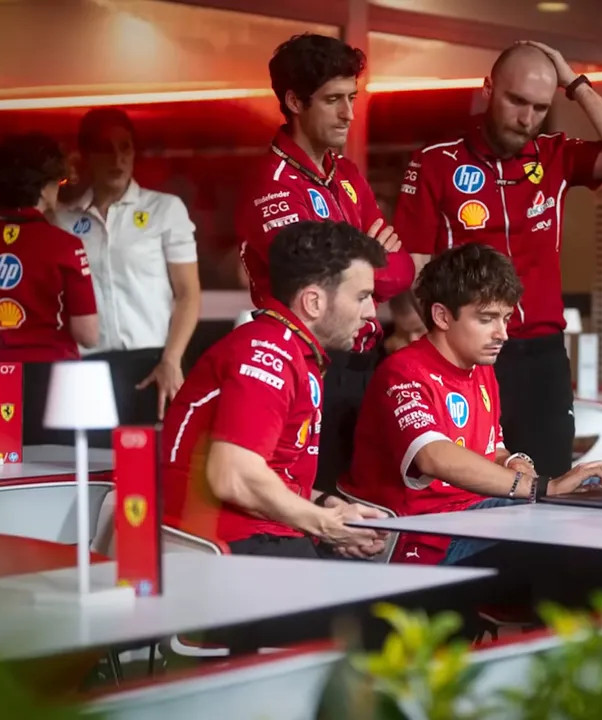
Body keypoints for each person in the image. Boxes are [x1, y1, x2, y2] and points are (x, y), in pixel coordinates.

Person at [394, 41, 602, 478]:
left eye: (540, 107)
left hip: (542, 356)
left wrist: (573, 81)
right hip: (468, 355)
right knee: (473, 482)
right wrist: (447, 340)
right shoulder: (436, 161)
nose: (527, 118)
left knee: (549, 481)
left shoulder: (555, 155)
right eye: (516, 101)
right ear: (488, 89)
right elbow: (413, 265)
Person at [345, 244, 602, 566]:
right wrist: (542, 488)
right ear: (442, 316)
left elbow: (491, 448)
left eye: (506, 318)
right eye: (487, 319)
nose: (502, 334)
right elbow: (433, 457)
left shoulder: (481, 368)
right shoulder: (402, 371)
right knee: (577, 521)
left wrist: (513, 460)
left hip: (480, 515)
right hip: (427, 534)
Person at [240, 33, 416, 496]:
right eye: (333, 100)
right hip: (308, 369)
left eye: (352, 98)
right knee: (316, 507)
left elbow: (401, 272)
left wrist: (360, 267)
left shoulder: (348, 173)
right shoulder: (271, 183)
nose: (349, 114)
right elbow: (319, 285)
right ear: (295, 102)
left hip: (364, 363)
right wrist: (370, 254)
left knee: (369, 503)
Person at [161, 220, 389, 560]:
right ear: (313, 302)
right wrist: (325, 525)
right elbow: (234, 476)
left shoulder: (290, 350)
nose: (371, 313)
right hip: (223, 547)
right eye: (362, 296)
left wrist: (328, 506)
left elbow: (268, 476)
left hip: (255, 539)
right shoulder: (269, 352)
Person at [0, 132, 98, 447]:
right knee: (54, 473)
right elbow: (87, 334)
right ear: (43, 188)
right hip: (55, 383)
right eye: (58, 182)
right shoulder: (67, 246)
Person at [56, 108, 201, 432]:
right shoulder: (63, 220)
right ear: (86, 155)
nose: (117, 158)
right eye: (104, 148)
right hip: (86, 367)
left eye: (125, 147)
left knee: (150, 460)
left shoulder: (165, 209)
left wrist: (171, 359)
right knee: (89, 459)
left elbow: (188, 294)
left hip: (153, 363)